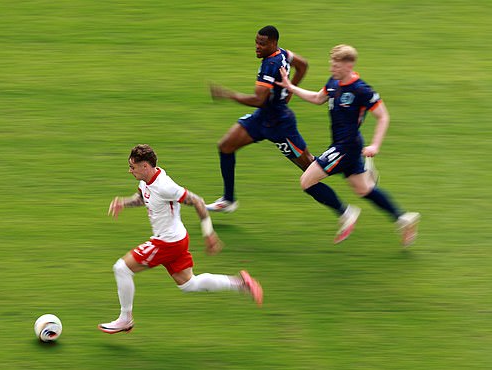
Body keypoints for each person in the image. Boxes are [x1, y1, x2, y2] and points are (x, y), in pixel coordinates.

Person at [98, 144, 263, 334]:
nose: (130, 171)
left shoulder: (165, 186)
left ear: (145, 166)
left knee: (121, 268)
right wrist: (124, 203)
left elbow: (198, 201)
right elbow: (143, 197)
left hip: (166, 242)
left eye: (132, 167)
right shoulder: (146, 180)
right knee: (189, 284)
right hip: (177, 239)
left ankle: (125, 319)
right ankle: (239, 283)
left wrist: (208, 233)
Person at [276, 44, 420, 245]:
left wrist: (375, 145)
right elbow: (318, 98)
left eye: (336, 65)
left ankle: (346, 213)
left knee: (307, 181)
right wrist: (291, 87)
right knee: (364, 189)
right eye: (331, 64)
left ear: (349, 65)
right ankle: (403, 218)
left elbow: (383, 117)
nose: (331, 68)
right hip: (344, 145)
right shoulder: (334, 82)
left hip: (345, 147)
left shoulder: (361, 90)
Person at [206, 25, 314, 213]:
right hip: (262, 118)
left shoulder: (270, 65)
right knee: (225, 146)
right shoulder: (284, 54)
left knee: (311, 167)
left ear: (273, 43)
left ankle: (355, 168)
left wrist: (228, 95)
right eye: (256, 42)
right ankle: (229, 200)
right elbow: (303, 65)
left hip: (279, 123)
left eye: (262, 44)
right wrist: (290, 89)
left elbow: (258, 100)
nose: (257, 47)